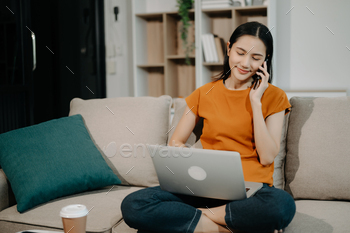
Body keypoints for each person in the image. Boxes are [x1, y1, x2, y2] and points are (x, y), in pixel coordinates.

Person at [121, 21, 296, 233]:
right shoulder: (204, 93)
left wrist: (256, 103)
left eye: (256, 58)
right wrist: (186, 156)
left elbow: (268, 157)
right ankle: (223, 227)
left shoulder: (274, 96)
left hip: (251, 192)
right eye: (240, 52)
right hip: (203, 188)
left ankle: (199, 219)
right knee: (134, 204)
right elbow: (175, 142)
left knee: (281, 205)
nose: (246, 63)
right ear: (229, 48)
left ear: (265, 61)